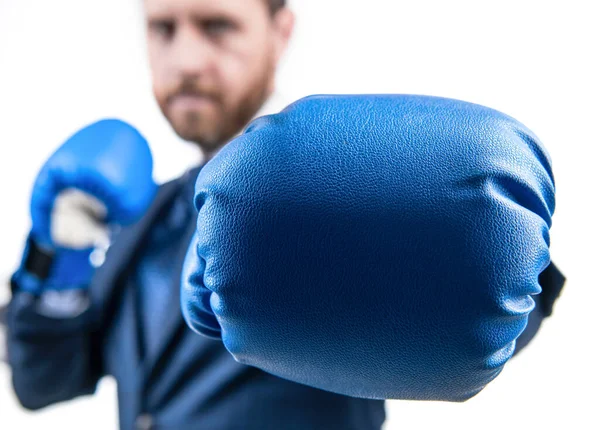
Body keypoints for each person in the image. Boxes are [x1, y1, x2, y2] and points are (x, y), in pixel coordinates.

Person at [5, 1, 387, 429]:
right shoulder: (146, 213)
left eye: (217, 26)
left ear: (280, 33)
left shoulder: (335, 197)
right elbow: (43, 381)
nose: (185, 61)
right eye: (163, 29)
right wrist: (59, 260)